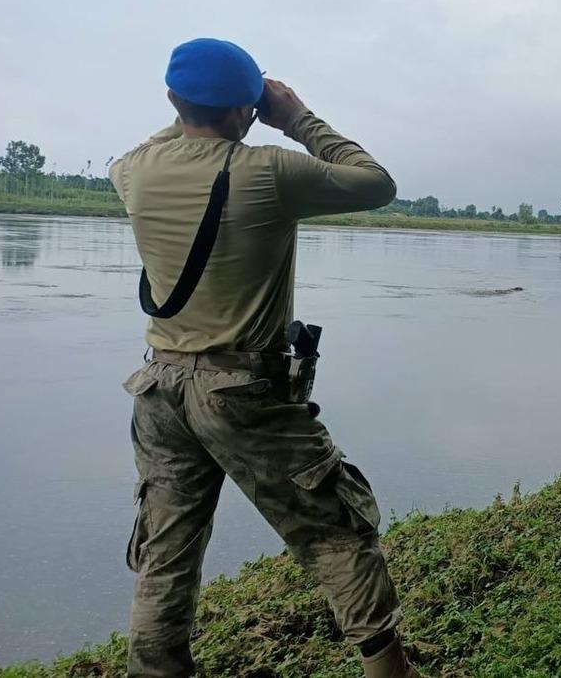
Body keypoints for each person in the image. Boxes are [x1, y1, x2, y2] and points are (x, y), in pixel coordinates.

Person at [109, 38, 421, 678]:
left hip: (160, 387)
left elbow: (169, 135)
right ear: (248, 108)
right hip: (244, 390)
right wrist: (298, 117)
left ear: (173, 100)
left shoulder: (132, 170)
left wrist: (203, 107)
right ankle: (391, 672)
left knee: (166, 549)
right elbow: (376, 183)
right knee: (332, 525)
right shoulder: (269, 170)